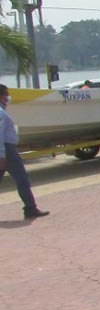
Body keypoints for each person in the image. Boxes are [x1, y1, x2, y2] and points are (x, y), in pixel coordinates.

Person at [0, 84, 48, 219]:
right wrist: (2, 155)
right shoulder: (1, 113)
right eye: (6, 94)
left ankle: (30, 208)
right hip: (7, 150)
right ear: (1, 97)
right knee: (22, 180)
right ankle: (30, 208)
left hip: (6, 150)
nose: (8, 97)